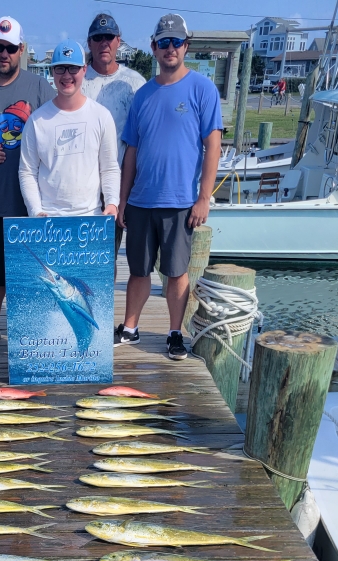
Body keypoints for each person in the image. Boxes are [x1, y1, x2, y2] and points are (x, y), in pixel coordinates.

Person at [116, 14, 222, 360]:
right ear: (154, 48)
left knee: (176, 272)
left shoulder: (203, 89)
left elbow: (213, 145)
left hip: (179, 202)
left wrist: (204, 197)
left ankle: (175, 332)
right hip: (140, 201)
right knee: (138, 270)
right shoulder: (142, 95)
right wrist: (122, 199)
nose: (171, 48)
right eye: (164, 42)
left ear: (186, 46)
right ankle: (130, 327)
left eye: (177, 42)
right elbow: (131, 151)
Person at [0, 16, 54, 351]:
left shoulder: (39, 87)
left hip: (34, 204)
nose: (5, 54)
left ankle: (30, 327)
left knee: (34, 270)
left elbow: (57, 131)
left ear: (21, 50)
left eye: (11, 48)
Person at [18, 40, 120, 219]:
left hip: (91, 219)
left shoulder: (101, 116)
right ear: (52, 71)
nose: (67, 75)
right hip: (48, 221)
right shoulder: (36, 121)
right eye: (60, 68)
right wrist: (35, 210)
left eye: (73, 68)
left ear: (84, 70)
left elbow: (109, 167)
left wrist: (112, 202)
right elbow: (27, 171)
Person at [81, 12, 145, 295]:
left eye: (109, 37)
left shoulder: (136, 83)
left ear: (118, 41)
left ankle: (102, 314)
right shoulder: (75, 79)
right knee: (76, 254)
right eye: (97, 38)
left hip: (116, 187)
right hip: (78, 187)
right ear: (89, 43)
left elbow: (142, 141)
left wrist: (126, 194)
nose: (103, 43)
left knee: (106, 257)